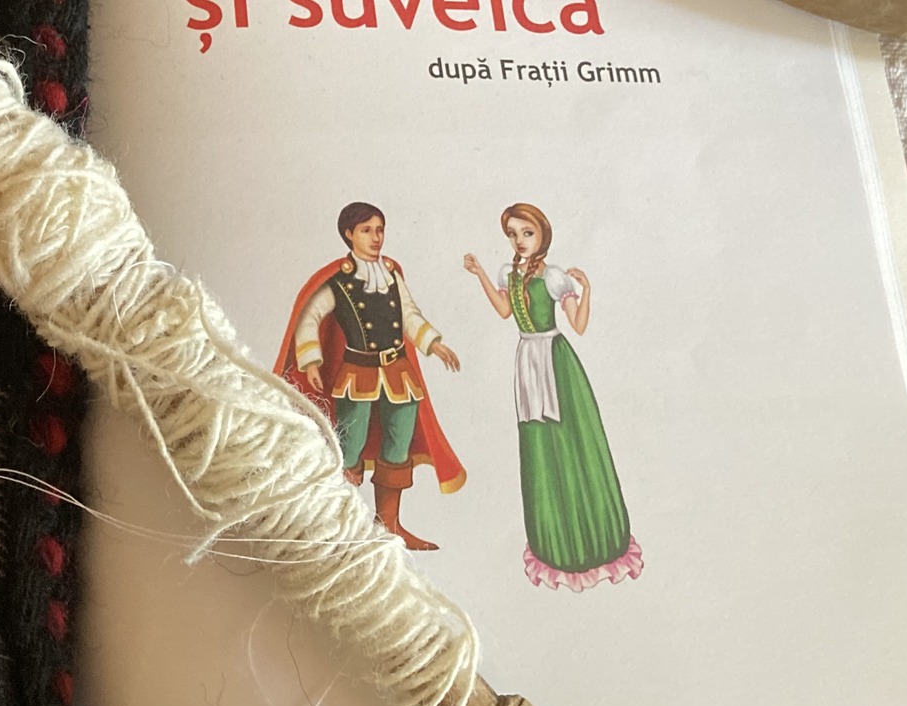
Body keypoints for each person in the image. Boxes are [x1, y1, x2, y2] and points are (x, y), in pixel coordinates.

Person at [463, 203, 642, 590]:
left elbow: (578, 324)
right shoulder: (509, 274)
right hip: (527, 363)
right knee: (540, 446)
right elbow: (504, 311)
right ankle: (555, 541)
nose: (519, 240)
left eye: (527, 233)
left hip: (557, 364)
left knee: (571, 441)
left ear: (542, 235)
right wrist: (480, 274)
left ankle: (592, 539)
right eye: (513, 234)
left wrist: (587, 290)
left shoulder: (554, 277)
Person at [274, 202, 465, 550]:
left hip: (399, 375)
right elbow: (309, 318)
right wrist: (312, 362)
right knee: (349, 448)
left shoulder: (391, 274)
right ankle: (339, 527)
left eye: (379, 230)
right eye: (366, 230)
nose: (376, 238)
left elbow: (409, 315)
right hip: (356, 376)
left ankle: (389, 526)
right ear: (349, 234)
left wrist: (433, 344)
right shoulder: (340, 280)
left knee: (398, 446)